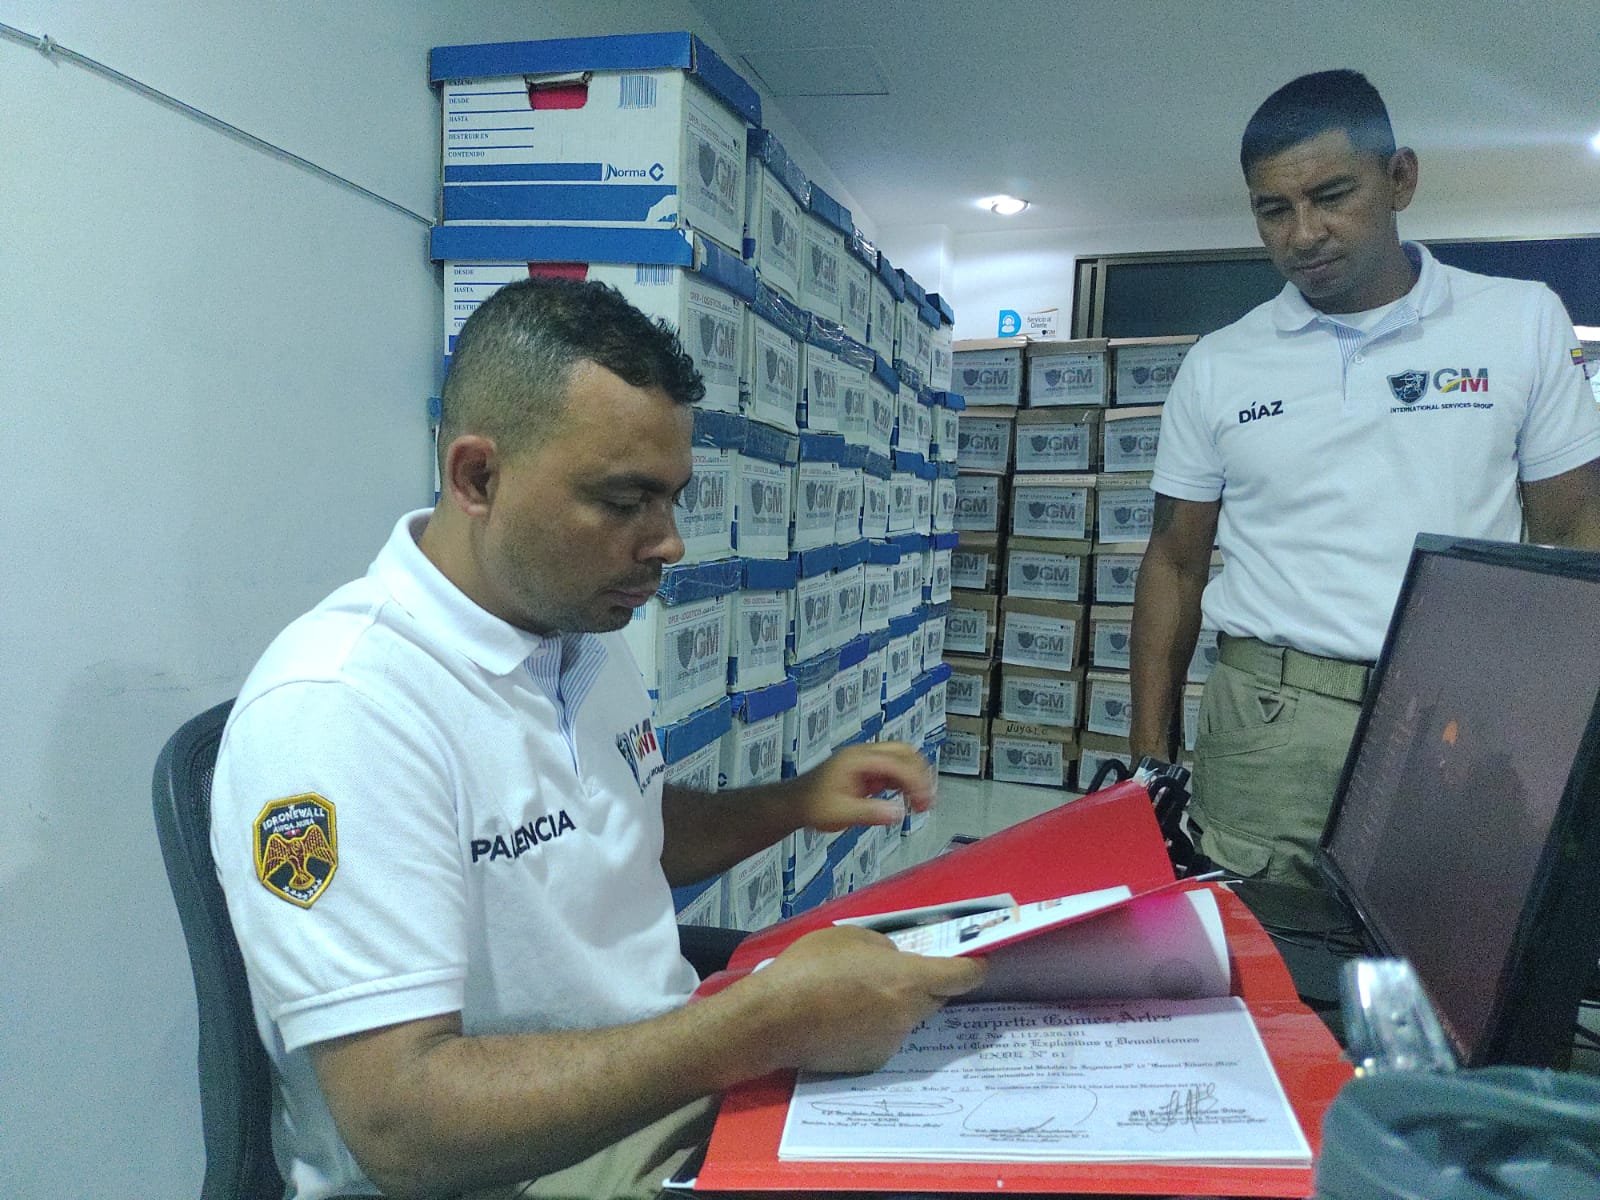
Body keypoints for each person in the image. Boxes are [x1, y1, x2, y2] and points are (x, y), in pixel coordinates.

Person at [211, 275, 986, 1200]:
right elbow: (401, 1128)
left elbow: (618, 831)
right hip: (524, 1170)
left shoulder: (573, 630)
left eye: (673, 499)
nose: (668, 543)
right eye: (624, 502)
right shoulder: (344, 708)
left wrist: (793, 802)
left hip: (661, 1090)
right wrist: (759, 1025)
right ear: (477, 478)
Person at [1130, 69, 1600, 925]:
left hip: (1460, 721)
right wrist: (1147, 765)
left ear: (1400, 179)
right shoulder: (1219, 364)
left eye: (1331, 196)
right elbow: (1173, 562)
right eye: (1273, 210)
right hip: (1270, 732)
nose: (1304, 233)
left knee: (1442, 961)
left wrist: (1555, 723)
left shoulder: (1520, 320)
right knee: (1260, 965)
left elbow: (1574, 532)